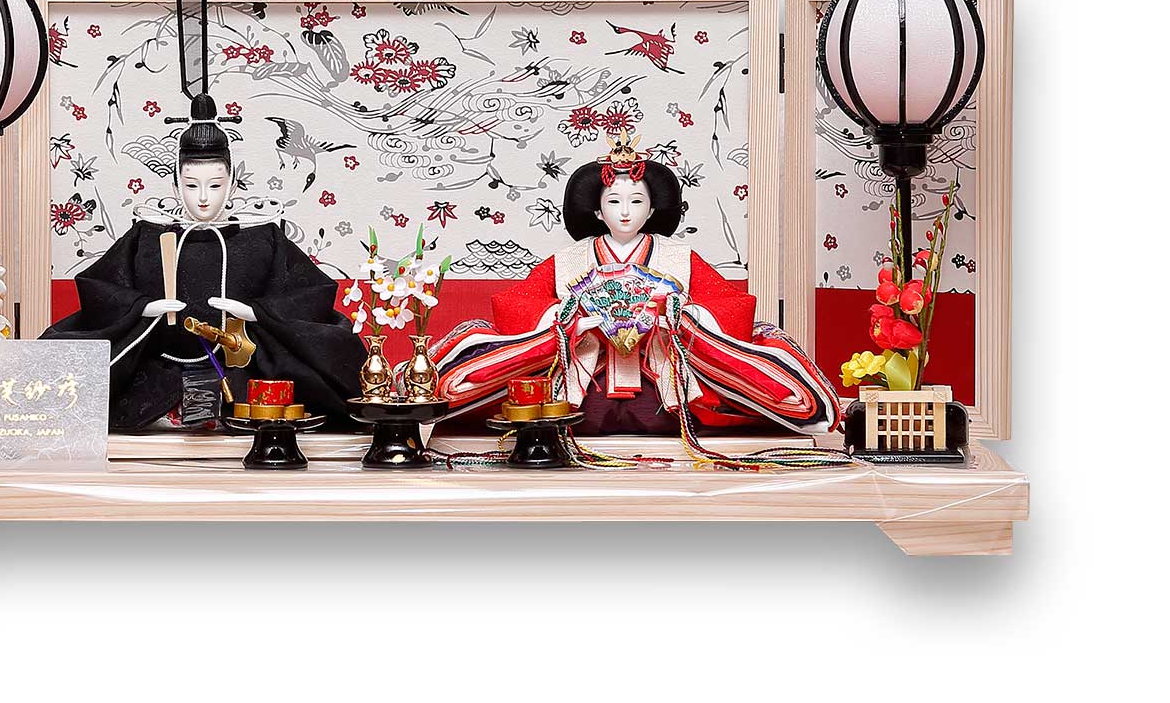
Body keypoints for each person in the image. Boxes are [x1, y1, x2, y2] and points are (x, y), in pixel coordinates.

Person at [431, 131, 840, 435]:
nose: (625, 212)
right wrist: (573, 319)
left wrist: (675, 316)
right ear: (596, 210)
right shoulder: (569, 259)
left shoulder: (679, 257)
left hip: (660, 384)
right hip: (585, 383)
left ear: (653, 208)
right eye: (613, 202)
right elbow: (515, 305)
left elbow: (731, 307)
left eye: (636, 201)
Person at [43, 93, 365, 432]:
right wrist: (143, 308)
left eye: (215, 185)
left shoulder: (263, 239)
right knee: (63, 374)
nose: (203, 198)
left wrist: (256, 313)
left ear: (232, 183)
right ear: (175, 184)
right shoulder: (147, 238)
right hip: (157, 371)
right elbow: (99, 289)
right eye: (191, 185)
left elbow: (311, 296)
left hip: (241, 370)